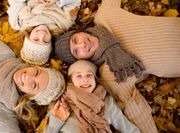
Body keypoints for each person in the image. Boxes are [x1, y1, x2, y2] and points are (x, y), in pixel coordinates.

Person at [53, 0, 180, 133]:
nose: (82, 45)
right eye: (76, 51)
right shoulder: (113, 73)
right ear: (80, 60)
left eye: (75, 40)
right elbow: (135, 108)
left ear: (79, 32)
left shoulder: (105, 16)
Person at [44, 60, 141, 133]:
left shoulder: (106, 103)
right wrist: (54, 124)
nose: (85, 79)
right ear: (71, 81)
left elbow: (129, 129)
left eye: (89, 75)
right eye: (78, 76)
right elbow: (49, 129)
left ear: (95, 80)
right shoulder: (61, 103)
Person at [7, 0, 81, 65]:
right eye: (45, 41)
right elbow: (75, 2)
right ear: (51, 41)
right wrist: (58, 1)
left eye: (36, 39)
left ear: (28, 37)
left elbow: (14, 1)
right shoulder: (63, 23)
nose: (42, 35)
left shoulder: (17, 21)